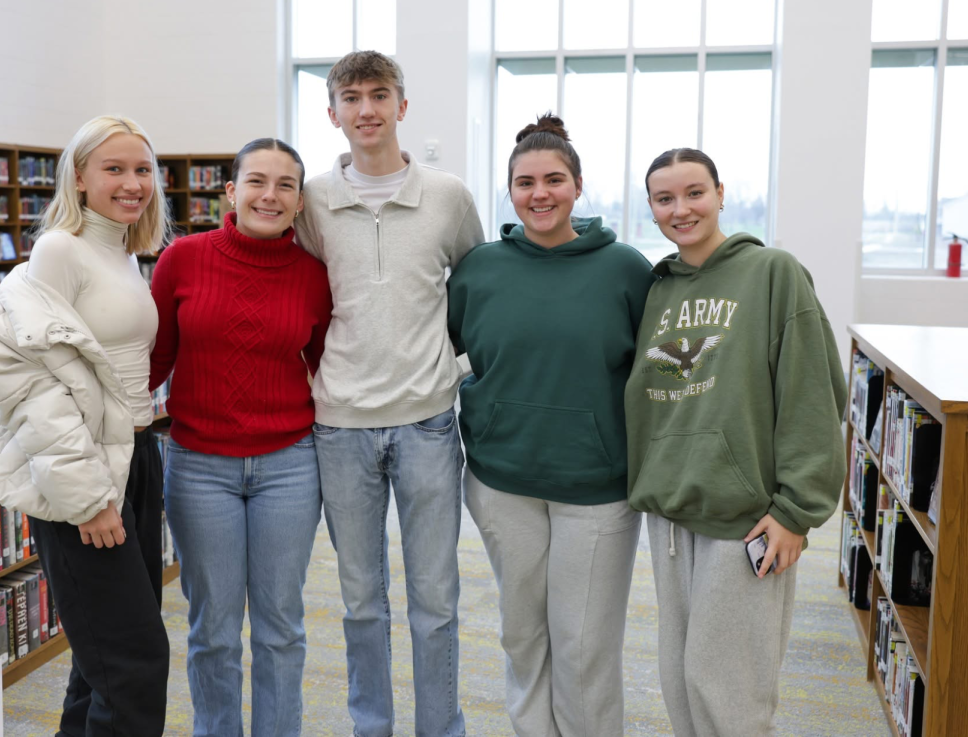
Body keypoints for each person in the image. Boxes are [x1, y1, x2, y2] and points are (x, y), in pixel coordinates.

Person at [625, 148, 848, 737]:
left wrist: (797, 511)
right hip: (672, 513)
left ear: (721, 194)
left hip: (746, 517)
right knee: (680, 684)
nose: (682, 208)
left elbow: (813, 396)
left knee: (729, 690)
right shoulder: (657, 292)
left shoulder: (774, 272)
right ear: (651, 210)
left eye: (694, 192)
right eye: (664, 198)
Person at [294, 50, 484, 737]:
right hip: (339, 426)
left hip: (429, 423)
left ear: (402, 106)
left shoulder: (449, 197)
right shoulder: (309, 200)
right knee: (359, 601)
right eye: (352, 97)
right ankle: (369, 726)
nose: (366, 109)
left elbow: (474, 290)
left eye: (380, 94)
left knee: (435, 601)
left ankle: (442, 728)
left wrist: (453, 370)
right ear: (333, 113)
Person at [0, 115, 172, 736]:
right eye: (114, 169)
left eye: (142, 169)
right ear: (78, 177)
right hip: (83, 476)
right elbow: (32, 384)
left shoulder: (125, 252)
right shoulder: (60, 249)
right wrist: (86, 499)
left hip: (134, 457)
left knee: (101, 660)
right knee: (135, 663)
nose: (132, 183)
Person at [447, 114, 655, 735]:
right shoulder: (479, 269)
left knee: (583, 645)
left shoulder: (625, 268)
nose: (540, 193)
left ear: (578, 185)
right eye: (525, 182)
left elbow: (655, 372)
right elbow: (439, 349)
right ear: (509, 191)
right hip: (500, 480)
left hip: (597, 486)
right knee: (522, 634)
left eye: (554, 180)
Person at [149, 139, 331, 736]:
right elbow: (152, 363)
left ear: (300, 202)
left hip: (288, 465)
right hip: (200, 466)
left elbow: (329, 365)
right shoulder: (182, 259)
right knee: (214, 628)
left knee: (281, 625)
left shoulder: (313, 276)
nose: (269, 195)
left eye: (284, 185)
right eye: (256, 181)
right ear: (230, 191)